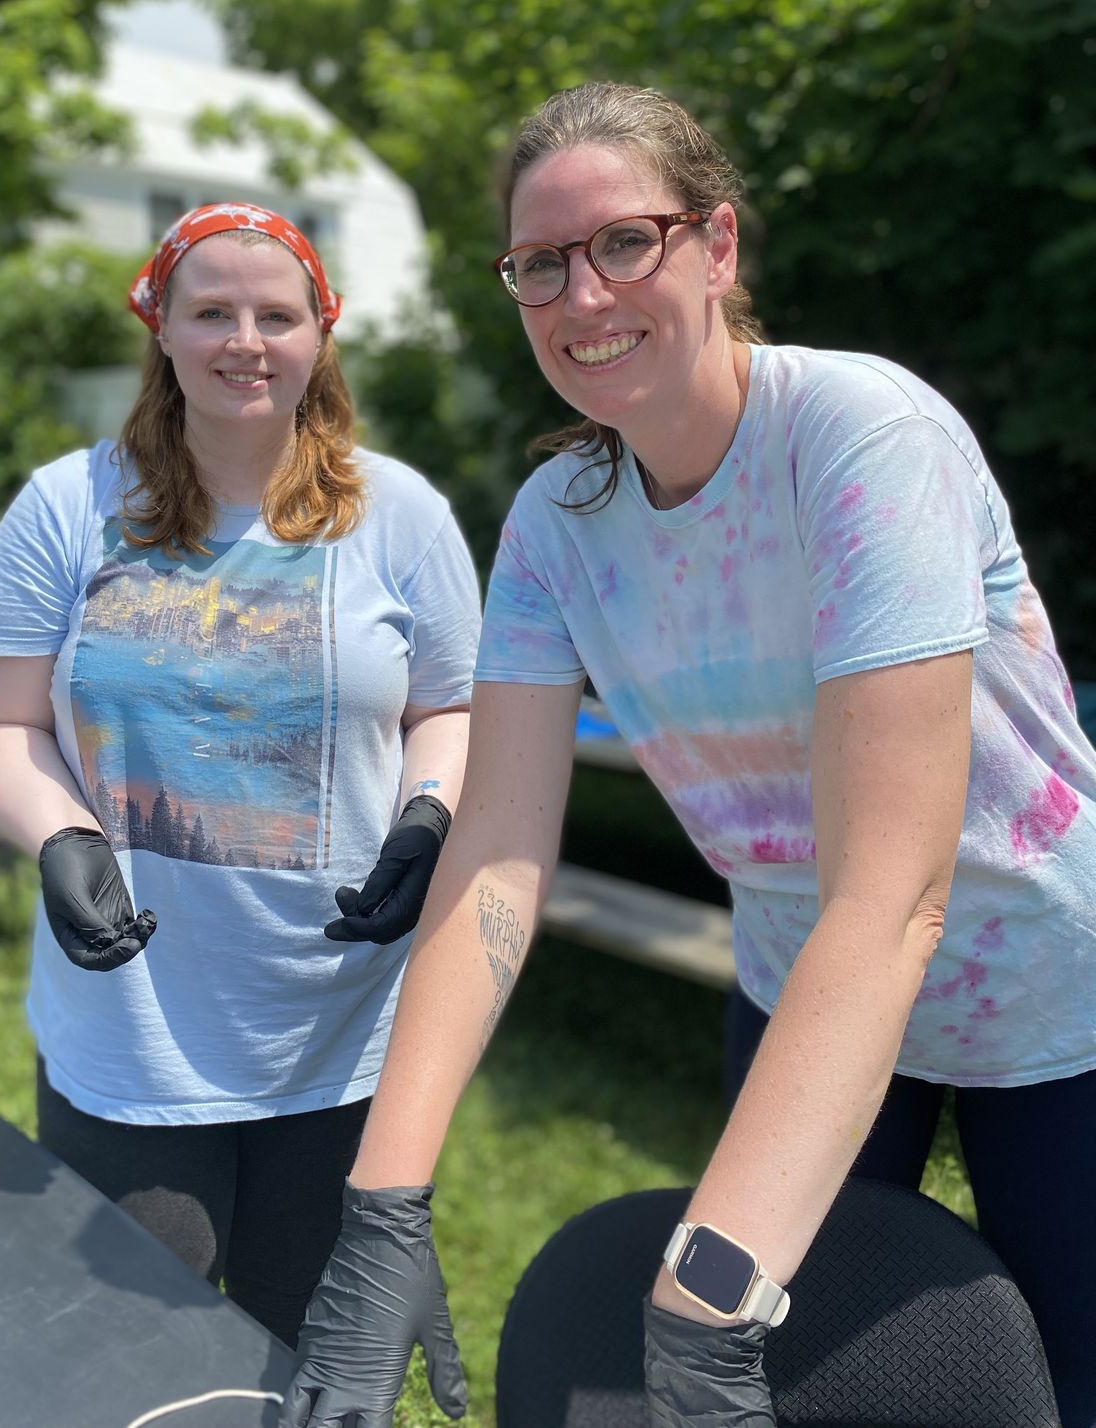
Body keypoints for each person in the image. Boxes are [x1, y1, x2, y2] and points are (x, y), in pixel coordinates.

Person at [280, 83, 1096, 1428]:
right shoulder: (555, 521)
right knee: (821, 1369)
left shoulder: (857, 439)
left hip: (1044, 985)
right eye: (539, 265)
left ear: (717, 248)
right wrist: (383, 1207)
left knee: (1060, 1382)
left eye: (623, 242)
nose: (581, 295)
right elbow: (494, 858)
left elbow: (893, 896)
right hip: (802, 986)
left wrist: (702, 1308)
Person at [0, 201, 481, 1348]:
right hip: (130, 1034)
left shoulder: (401, 516)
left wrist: (429, 817)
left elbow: (452, 707)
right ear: (164, 331)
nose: (246, 339)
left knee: (314, 1358)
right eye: (212, 312)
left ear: (319, 337)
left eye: (276, 315)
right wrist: (64, 834)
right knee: (136, 1365)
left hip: (341, 1033)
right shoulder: (66, 509)